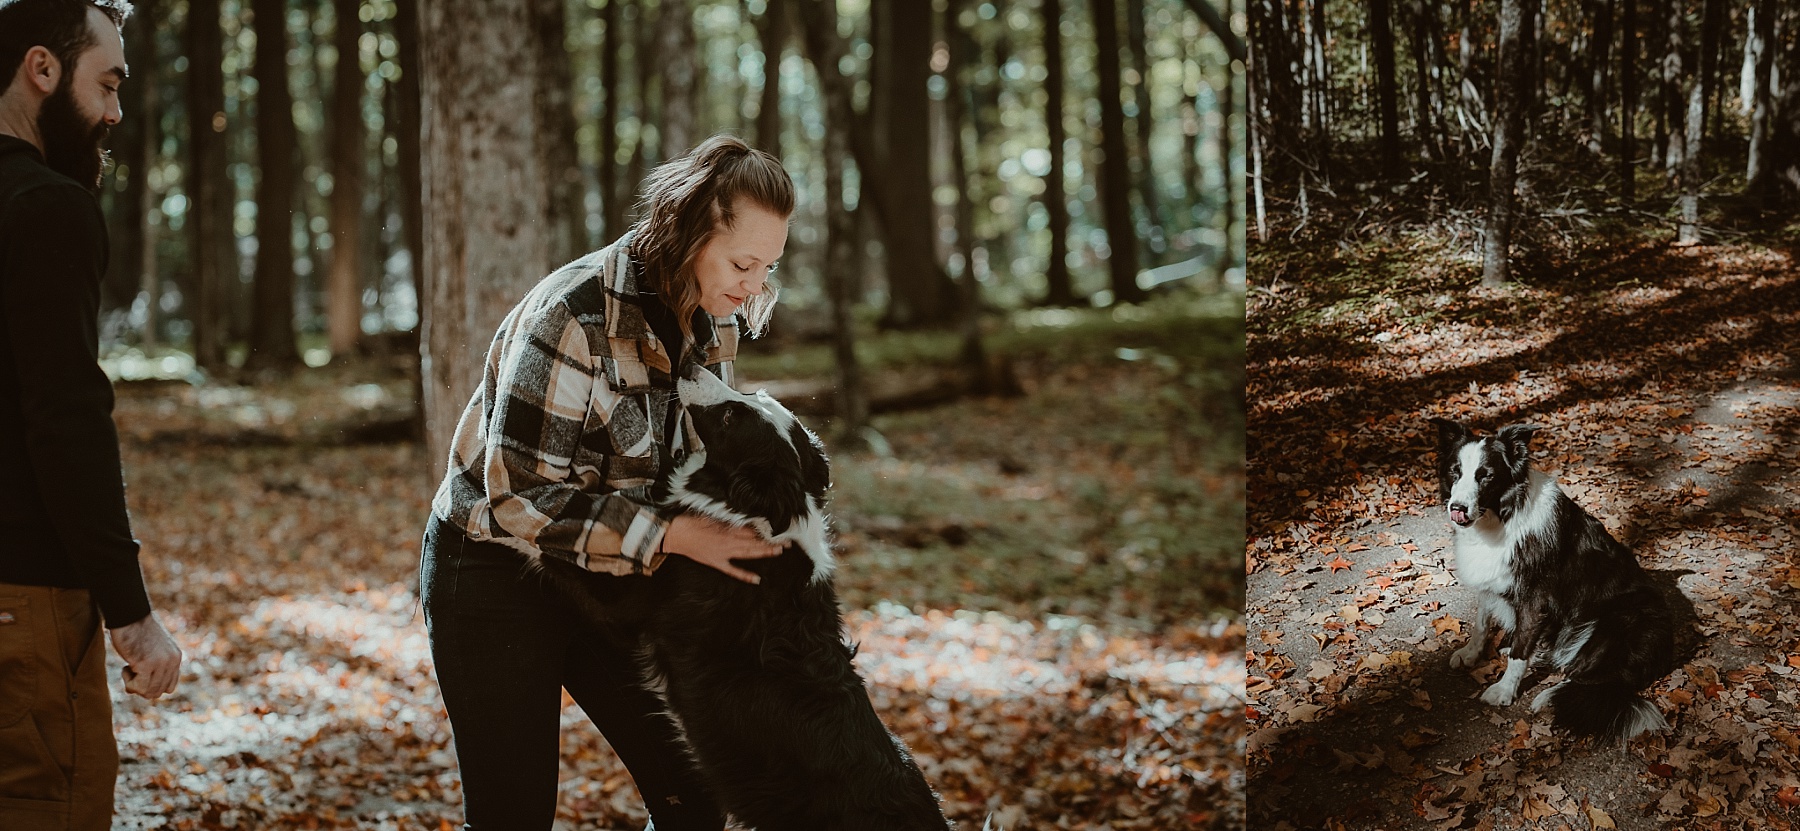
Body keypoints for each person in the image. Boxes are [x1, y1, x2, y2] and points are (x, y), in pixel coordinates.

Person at [420, 134, 795, 831]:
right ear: (688, 234)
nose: (752, 287)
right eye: (744, 263)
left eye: (767, 267)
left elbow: (693, 459)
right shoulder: (571, 316)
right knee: (513, 815)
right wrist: (676, 533)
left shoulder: (714, 319)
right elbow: (517, 498)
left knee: (699, 795)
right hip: (494, 572)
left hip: (613, 571)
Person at [0, 1, 184, 829]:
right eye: (106, 84)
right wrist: (130, 612)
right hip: (23, 599)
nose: (115, 113)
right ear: (42, 69)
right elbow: (67, 418)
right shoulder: (45, 206)